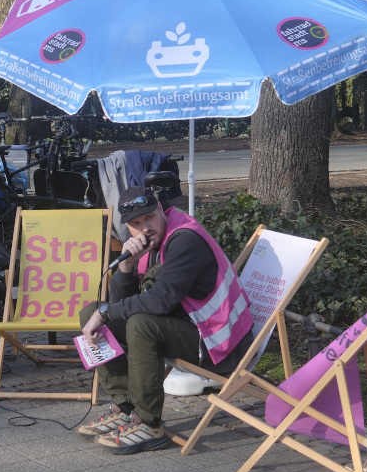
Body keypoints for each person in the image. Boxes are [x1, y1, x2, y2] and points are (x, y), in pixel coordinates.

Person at [77, 186, 254, 455]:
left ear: (160, 209)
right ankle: (125, 407)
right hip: (189, 327)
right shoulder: (150, 244)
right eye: (136, 224)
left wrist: (106, 312)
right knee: (90, 313)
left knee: (140, 325)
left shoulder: (185, 239)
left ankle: (149, 424)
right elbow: (126, 303)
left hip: (220, 343)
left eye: (149, 217)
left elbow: (159, 302)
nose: (145, 228)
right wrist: (126, 267)